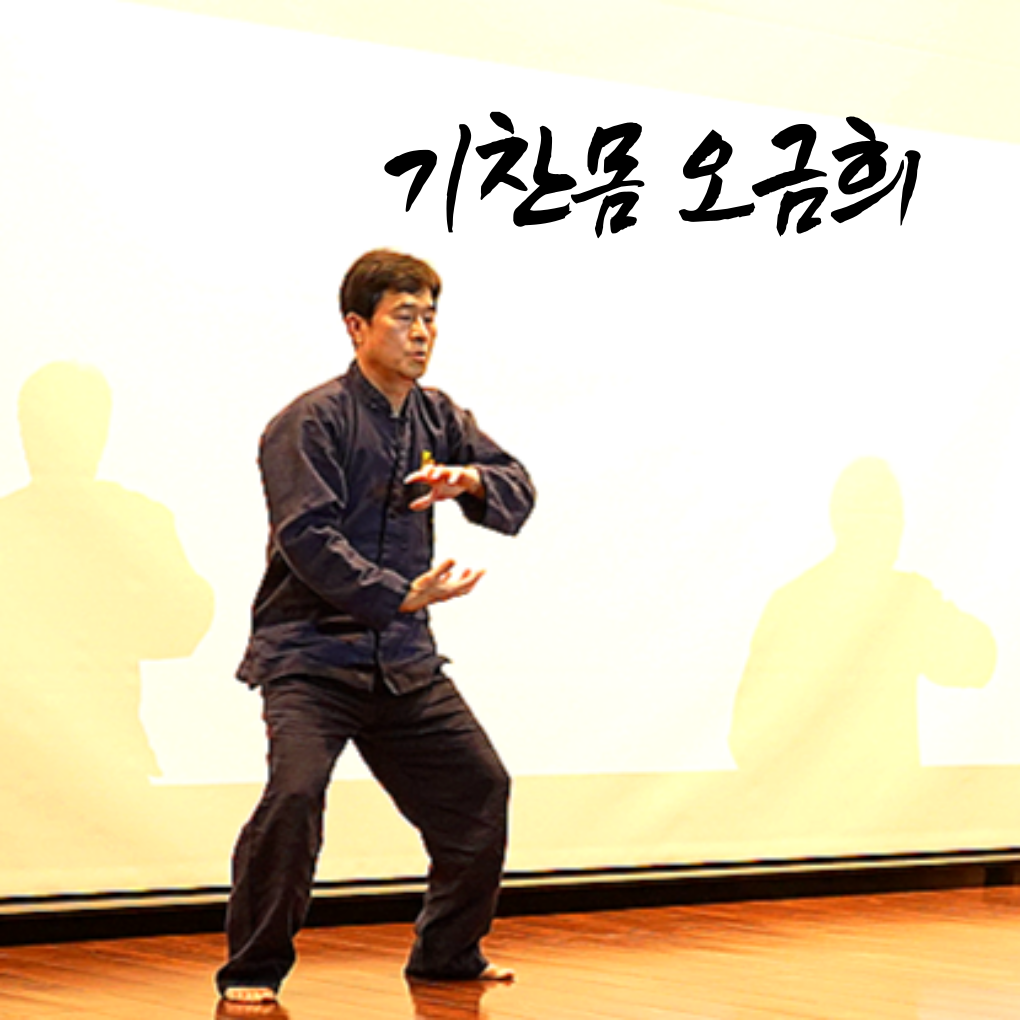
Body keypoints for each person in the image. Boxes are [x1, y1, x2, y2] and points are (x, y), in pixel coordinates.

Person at [216, 250, 536, 1005]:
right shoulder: (309, 421)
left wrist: (470, 479)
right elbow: (308, 537)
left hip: (402, 659)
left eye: (430, 317)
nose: (422, 333)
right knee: (294, 797)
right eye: (404, 317)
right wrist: (398, 594)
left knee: (480, 788)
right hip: (310, 656)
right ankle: (252, 970)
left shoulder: (438, 416)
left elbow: (517, 491)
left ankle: (446, 953)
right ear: (357, 327)